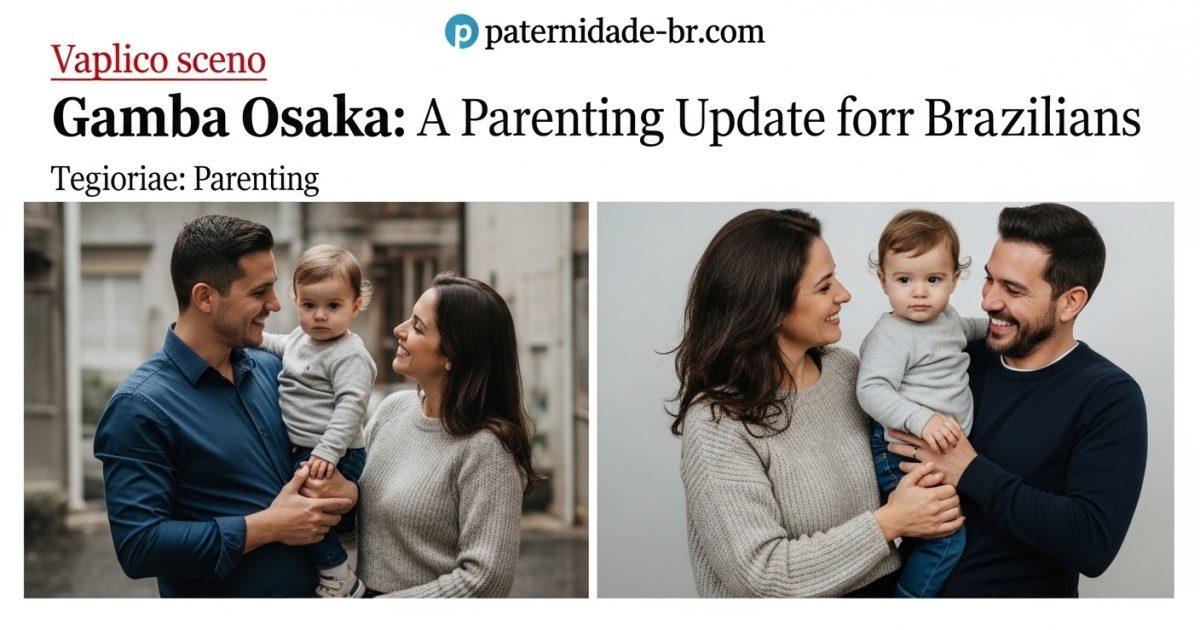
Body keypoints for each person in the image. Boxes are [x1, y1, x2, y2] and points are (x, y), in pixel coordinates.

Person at [671, 208, 964, 598]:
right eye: (825, 287)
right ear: (770, 306)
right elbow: (761, 575)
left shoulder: (846, 372)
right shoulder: (717, 423)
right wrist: (890, 522)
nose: (844, 294)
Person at [886, 203, 1148, 597]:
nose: (989, 301)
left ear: (1070, 302)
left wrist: (969, 469)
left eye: (1012, 289)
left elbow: (1092, 543)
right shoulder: (956, 357)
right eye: (989, 280)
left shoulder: (1109, 396)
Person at [93, 215, 357, 597]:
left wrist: (347, 493)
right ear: (205, 297)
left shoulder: (275, 369)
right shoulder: (140, 406)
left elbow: (320, 490)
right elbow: (140, 546)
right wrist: (267, 527)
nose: (275, 304)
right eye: (259, 292)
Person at [309, 272, 539, 597]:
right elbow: (365, 518)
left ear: (453, 354)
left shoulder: (487, 449)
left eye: (417, 327)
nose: (399, 330)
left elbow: (485, 580)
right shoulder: (392, 411)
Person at [857, 209, 988, 597]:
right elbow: (872, 389)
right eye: (904, 280)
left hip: (937, 452)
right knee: (944, 539)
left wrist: (1000, 325)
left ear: (954, 279)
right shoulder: (891, 334)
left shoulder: (947, 318)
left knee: (936, 529)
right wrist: (922, 419)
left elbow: (969, 329)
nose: (919, 292)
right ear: (883, 280)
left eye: (933, 279)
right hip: (902, 450)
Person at [257, 244, 377, 597]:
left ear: (355, 305)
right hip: (309, 449)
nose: (320, 316)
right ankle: (345, 545)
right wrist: (250, 339)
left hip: (334, 451)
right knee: (314, 512)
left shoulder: (349, 355)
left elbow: (351, 406)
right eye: (309, 306)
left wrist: (327, 451)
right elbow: (278, 343)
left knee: (302, 511)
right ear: (296, 301)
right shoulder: (301, 338)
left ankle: (339, 577)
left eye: (333, 306)